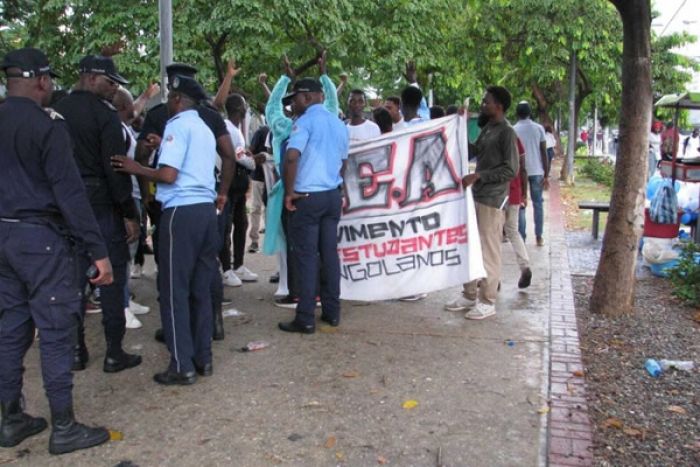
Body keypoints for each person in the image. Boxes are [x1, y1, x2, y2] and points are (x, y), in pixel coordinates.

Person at [0, 47, 112, 455]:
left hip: (3, 238)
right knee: (55, 329)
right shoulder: (48, 126)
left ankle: (10, 417)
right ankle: (63, 425)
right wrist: (97, 249)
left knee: (11, 326)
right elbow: (70, 193)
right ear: (43, 81)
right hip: (40, 240)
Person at [112, 75, 221, 384]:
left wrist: (137, 168)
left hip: (180, 215)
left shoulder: (176, 126)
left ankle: (181, 365)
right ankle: (203, 358)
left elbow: (170, 175)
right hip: (205, 213)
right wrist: (162, 146)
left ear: (176, 100)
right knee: (200, 289)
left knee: (174, 291)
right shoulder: (203, 127)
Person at [54, 54, 142, 373]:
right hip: (100, 201)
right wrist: (129, 213)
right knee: (111, 276)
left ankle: (77, 350)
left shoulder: (56, 110)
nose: (114, 89)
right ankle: (114, 352)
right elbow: (115, 168)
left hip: (64, 203)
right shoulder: (105, 116)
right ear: (91, 78)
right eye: (110, 81)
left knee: (73, 279)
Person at [137, 63, 235, 344]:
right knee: (207, 264)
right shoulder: (210, 116)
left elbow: (143, 156)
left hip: (174, 199)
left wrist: (145, 193)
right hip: (207, 196)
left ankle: (176, 333)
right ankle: (213, 323)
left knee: (172, 274)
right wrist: (224, 192)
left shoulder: (162, 115)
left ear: (175, 92)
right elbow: (229, 155)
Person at [278, 77, 349, 333]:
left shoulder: (304, 122)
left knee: (306, 258)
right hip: (332, 196)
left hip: (308, 198)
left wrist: (289, 192)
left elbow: (291, 156)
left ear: (307, 97)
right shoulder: (338, 123)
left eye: (294, 99)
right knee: (329, 255)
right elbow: (344, 162)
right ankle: (332, 312)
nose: (292, 105)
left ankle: (306, 317)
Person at [444, 86, 518, 319]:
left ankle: (487, 299)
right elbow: (473, 151)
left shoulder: (507, 132)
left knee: (488, 251)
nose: (483, 105)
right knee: (470, 247)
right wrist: (458, 126)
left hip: (492, 199)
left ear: (499, 106)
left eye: (487, 102)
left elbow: (511, 168)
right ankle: (469, 294)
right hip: (476, 196)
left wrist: (480, 176)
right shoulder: (488, 129)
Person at [112, 87, 151, 329]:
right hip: (127, 197)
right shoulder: (115, 130)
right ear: (120, 108)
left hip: (134, 195)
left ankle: (125, 298)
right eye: (128, 106)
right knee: (123, 253)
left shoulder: (124, 127)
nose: (133, 110)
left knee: (129, 252)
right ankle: (121, 306)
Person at [220, 93, 258, 286]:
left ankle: (239, 265)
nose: (245, 110)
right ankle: (226, 269)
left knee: (241, 224)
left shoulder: (235, 129)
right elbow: (241, 157)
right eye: (244, 107)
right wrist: (255, 160)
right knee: (226, 227)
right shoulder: (230, 130)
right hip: (231, 185)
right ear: (238, 109)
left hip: (239, 186)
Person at [513, 101, 548, 246]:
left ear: (517, 113)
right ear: (530, 112)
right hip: (537, 171)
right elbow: (544, 152)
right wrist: (546, 174)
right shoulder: (539, 129)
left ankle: (522, 237)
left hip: (519, 172)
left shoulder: (513, 130)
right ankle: (539, 236)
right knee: (538, 204)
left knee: (521, 204)